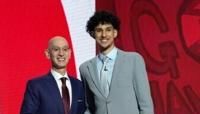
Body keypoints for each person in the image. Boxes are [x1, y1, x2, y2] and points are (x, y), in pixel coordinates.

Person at [79, 11, 154, 114]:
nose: (104, 35)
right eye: (99, 30)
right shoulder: (85, 68)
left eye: (108, 30)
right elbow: (90, 107)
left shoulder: (133, 60)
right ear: (93, 34)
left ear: (115, 33)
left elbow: (146, 105)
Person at [20, 36, 85, 114]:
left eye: (65, 49)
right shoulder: (36, 86)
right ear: (48, 54)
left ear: (70, 53)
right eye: (56, 49)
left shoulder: (79, 85)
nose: (61, 53)